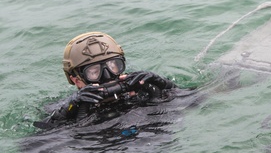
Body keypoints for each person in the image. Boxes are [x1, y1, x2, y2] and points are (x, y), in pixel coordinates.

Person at [34, 32, 176, 130]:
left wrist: (164, 85)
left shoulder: (139, 93)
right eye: (94, 72)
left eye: (114, 66)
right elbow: (34, 148)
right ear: (76, 80)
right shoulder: (65, 109)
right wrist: (68, 111)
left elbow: (195, 101)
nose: (107, 76)